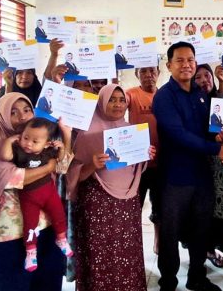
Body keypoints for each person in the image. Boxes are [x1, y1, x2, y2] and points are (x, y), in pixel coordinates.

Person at [152, 42, 223, 291]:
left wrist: (219, 137)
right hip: (174, 176)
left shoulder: (200, 95)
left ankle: (197, 277)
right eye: (179, 60)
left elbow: (206, 131)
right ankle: (168, 281)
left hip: (201, 174)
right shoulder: (164, 97)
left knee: (201, 227)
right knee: (170, 232)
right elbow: (178, 134)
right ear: (169, 65)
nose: (186, 64)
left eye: (190, 59)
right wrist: (216, 149)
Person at [68, 84, 155, 290]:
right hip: (98, 205)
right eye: (112, 100)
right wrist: (92, 164)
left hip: (127, 203)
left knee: (126, 250)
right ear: (101, 102)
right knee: (100, 252)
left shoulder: (130, 130)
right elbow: (73, 175)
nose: (118, 104)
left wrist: (145, 155)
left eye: (122, 100)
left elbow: (135, 169)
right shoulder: (86, 133)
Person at [0, 93, 66, 291]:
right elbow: (17, 178)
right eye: (13, 112)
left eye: (27, 110)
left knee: (48, 284)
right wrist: (48, 167)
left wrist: (66, 134)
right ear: (2, 116)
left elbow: (62, 166)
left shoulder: (40, 142)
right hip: (11, 234)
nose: (22, 117)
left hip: (46, 227)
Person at [0, 117, 73, 271]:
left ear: (46, 143)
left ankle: (61, 238)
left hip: (49, 193)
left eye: (35, 141)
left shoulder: (48, 152)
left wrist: (61, 148)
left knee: (59, 214)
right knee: (30, 225)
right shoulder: (19, 152)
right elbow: (5, 156)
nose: (28, 143)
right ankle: (30, 252)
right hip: (29, 198)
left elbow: (61, 161)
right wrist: (9, 141)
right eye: (25, 138)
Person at [193, 63, 223, 268]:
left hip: (220, 164)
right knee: (201, 208)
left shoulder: (221, 100)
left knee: (219, 208)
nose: (203, 80)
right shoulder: (191, 102)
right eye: (198, 77)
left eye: (206, 75)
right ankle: (202, 251)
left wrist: (222, 82)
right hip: (199, 162)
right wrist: (212, 140)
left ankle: (212, 248)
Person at [127, 66, 161, 253]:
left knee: (159, 206)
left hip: (161, 163)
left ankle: (158, 241)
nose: (148, 75)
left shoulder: (164, 96)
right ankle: (132, 245)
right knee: (134, 207)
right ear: (136, 74)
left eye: (152, 71)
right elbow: (115, 102)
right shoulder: (131, 94)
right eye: (143, 72)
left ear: (158, 73)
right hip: (137, 165)